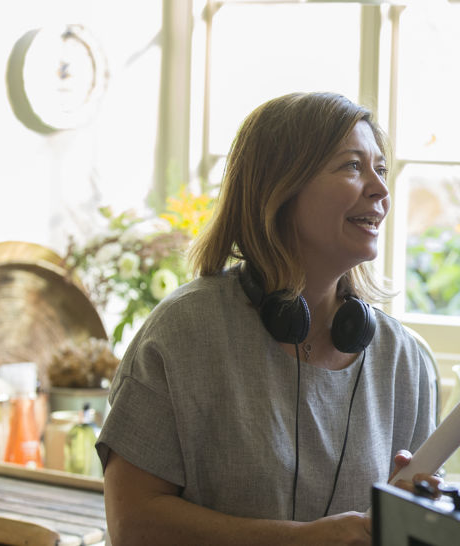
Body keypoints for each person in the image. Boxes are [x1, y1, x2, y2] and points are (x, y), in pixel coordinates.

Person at [97, 92, 439, 545]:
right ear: (281, 188)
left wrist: (414, 520)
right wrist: (299, 540)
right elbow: (132, 526)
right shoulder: (183, 332)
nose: (380, 190)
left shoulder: (403, 359)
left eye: (381, 169)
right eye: (353, 166)